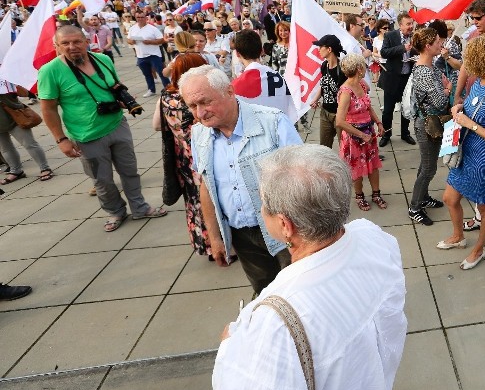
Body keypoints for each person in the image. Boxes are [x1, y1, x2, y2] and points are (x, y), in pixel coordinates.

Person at [211, 144, 407, 390]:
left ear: (285, 225)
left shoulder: (277, 322)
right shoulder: (373, 236)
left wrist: (229, 346)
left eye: (263, 204)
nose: (261, 211)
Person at [181, 65, 302, 294]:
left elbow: (301, 178)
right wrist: (215, 238)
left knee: (298, 290)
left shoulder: (273, 123)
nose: (199, 113)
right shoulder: (199, 134)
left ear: (229, 92)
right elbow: (206, 187)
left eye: (205, 102)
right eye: (192, 106)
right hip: (242, 236)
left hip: (285, 230)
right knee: (264, 291)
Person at [39, 25, 168, 232]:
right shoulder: (49, 71)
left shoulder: (103, 60)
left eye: (77, 42)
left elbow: (114, 87)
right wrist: (61, 139)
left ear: (86, 41)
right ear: (57, 46)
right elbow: (48, 109)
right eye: (65, 43)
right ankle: (115, 212)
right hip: (86, 135)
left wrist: (124, 101)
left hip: (117, 124)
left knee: (130, 172)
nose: (72, 47)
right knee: (102, 180)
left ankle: (140, 207)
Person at [437, 36, 485, 270]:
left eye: (467, 58)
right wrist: (461, 108)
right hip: (465, 152)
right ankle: (458, 236)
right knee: (449, 198)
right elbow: (474, 109)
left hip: (483, 158)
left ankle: (478, 250)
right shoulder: (480, 82)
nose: (464, 62)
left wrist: (468, 123)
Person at [153, 53, 211, 257]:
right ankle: (220, 243)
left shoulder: (166, 96)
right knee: (210, 199)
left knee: (194, 202)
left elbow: (156, 125)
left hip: (183, 159)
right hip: (203, 156)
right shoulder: (195, 97)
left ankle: (203, 244)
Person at [407, 26, 450, 226]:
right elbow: (440, 101)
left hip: (430, 122)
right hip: (426, 124)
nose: (441, 43)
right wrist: (448, 88)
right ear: (428, 45)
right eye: (437, 41)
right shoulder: (424, 71)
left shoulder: (430, 66)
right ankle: (414, 207)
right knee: (429, 168)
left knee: (427, 165)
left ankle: (423, 197)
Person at [335, 54, 386, 212]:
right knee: (356, 168)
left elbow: (368, 106)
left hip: (368, 132)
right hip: (354, 137)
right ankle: (359, 196)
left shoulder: (362, 85)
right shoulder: (346, 92)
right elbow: (340, 121)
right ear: (358, 69)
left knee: (373, 165)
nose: (366, 68)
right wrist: (361, 135)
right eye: (363, 65)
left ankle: (376, 194)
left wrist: (378, 122)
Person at [0, 79, 52, 184]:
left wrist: (12, 86)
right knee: (5, 148)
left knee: (29, 144)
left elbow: (24, 93)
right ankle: (15, 171)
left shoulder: (5, 76)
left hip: (16, 117)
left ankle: (44, 168)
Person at [379, 14, 416, 147]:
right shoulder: (391, 35)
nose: (411, 26)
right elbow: (384, 52)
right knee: (388, 110)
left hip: (407, 78)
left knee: (406, 107)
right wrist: (402, 48)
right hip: (392, 78)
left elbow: (418, 51)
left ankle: (405, 133)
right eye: (408, 24)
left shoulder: (414, 36)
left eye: (411, 23)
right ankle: (386, 134)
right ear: (400, 25)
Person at [308, 35, 347, 149]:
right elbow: (324, 84)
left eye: (320, 47)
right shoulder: (324, 65)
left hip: (340, 115)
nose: (318, 49)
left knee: (344, 148)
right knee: (324, 149)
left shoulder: (343, 68)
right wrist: (315, 99)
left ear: (329, 49)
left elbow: (359, 85)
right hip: (325, 113)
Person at [126, 11, 170, 97]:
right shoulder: (133, 28)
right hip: (141, 55)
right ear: (135, 18)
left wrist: (150, 42)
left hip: (153, 54)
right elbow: (128, 39)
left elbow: (161, 40)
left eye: (142, 17)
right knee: (147, 74)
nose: (140, 19)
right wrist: (131, 41)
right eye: (138, 17)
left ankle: (168, 88)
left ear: (146, 18)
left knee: (161, 72)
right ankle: (151, 89)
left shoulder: (152, 28)